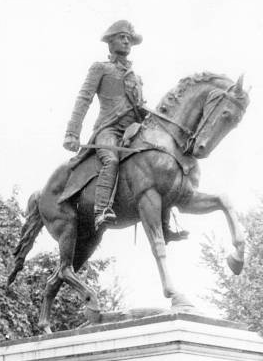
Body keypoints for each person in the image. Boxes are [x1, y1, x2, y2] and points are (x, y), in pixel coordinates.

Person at [63, 20, 188, 241]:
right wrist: (72, 132)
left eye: (129, 38)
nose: (127, 41)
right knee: (110, 160)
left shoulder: (136, 77)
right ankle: (101, 210)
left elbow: (138, 108)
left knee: (157, 162)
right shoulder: (100, 68)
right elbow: (84, 99)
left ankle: (164, 226)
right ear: (110, 43)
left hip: (132, 130)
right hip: (108, 129)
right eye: (122, 37)